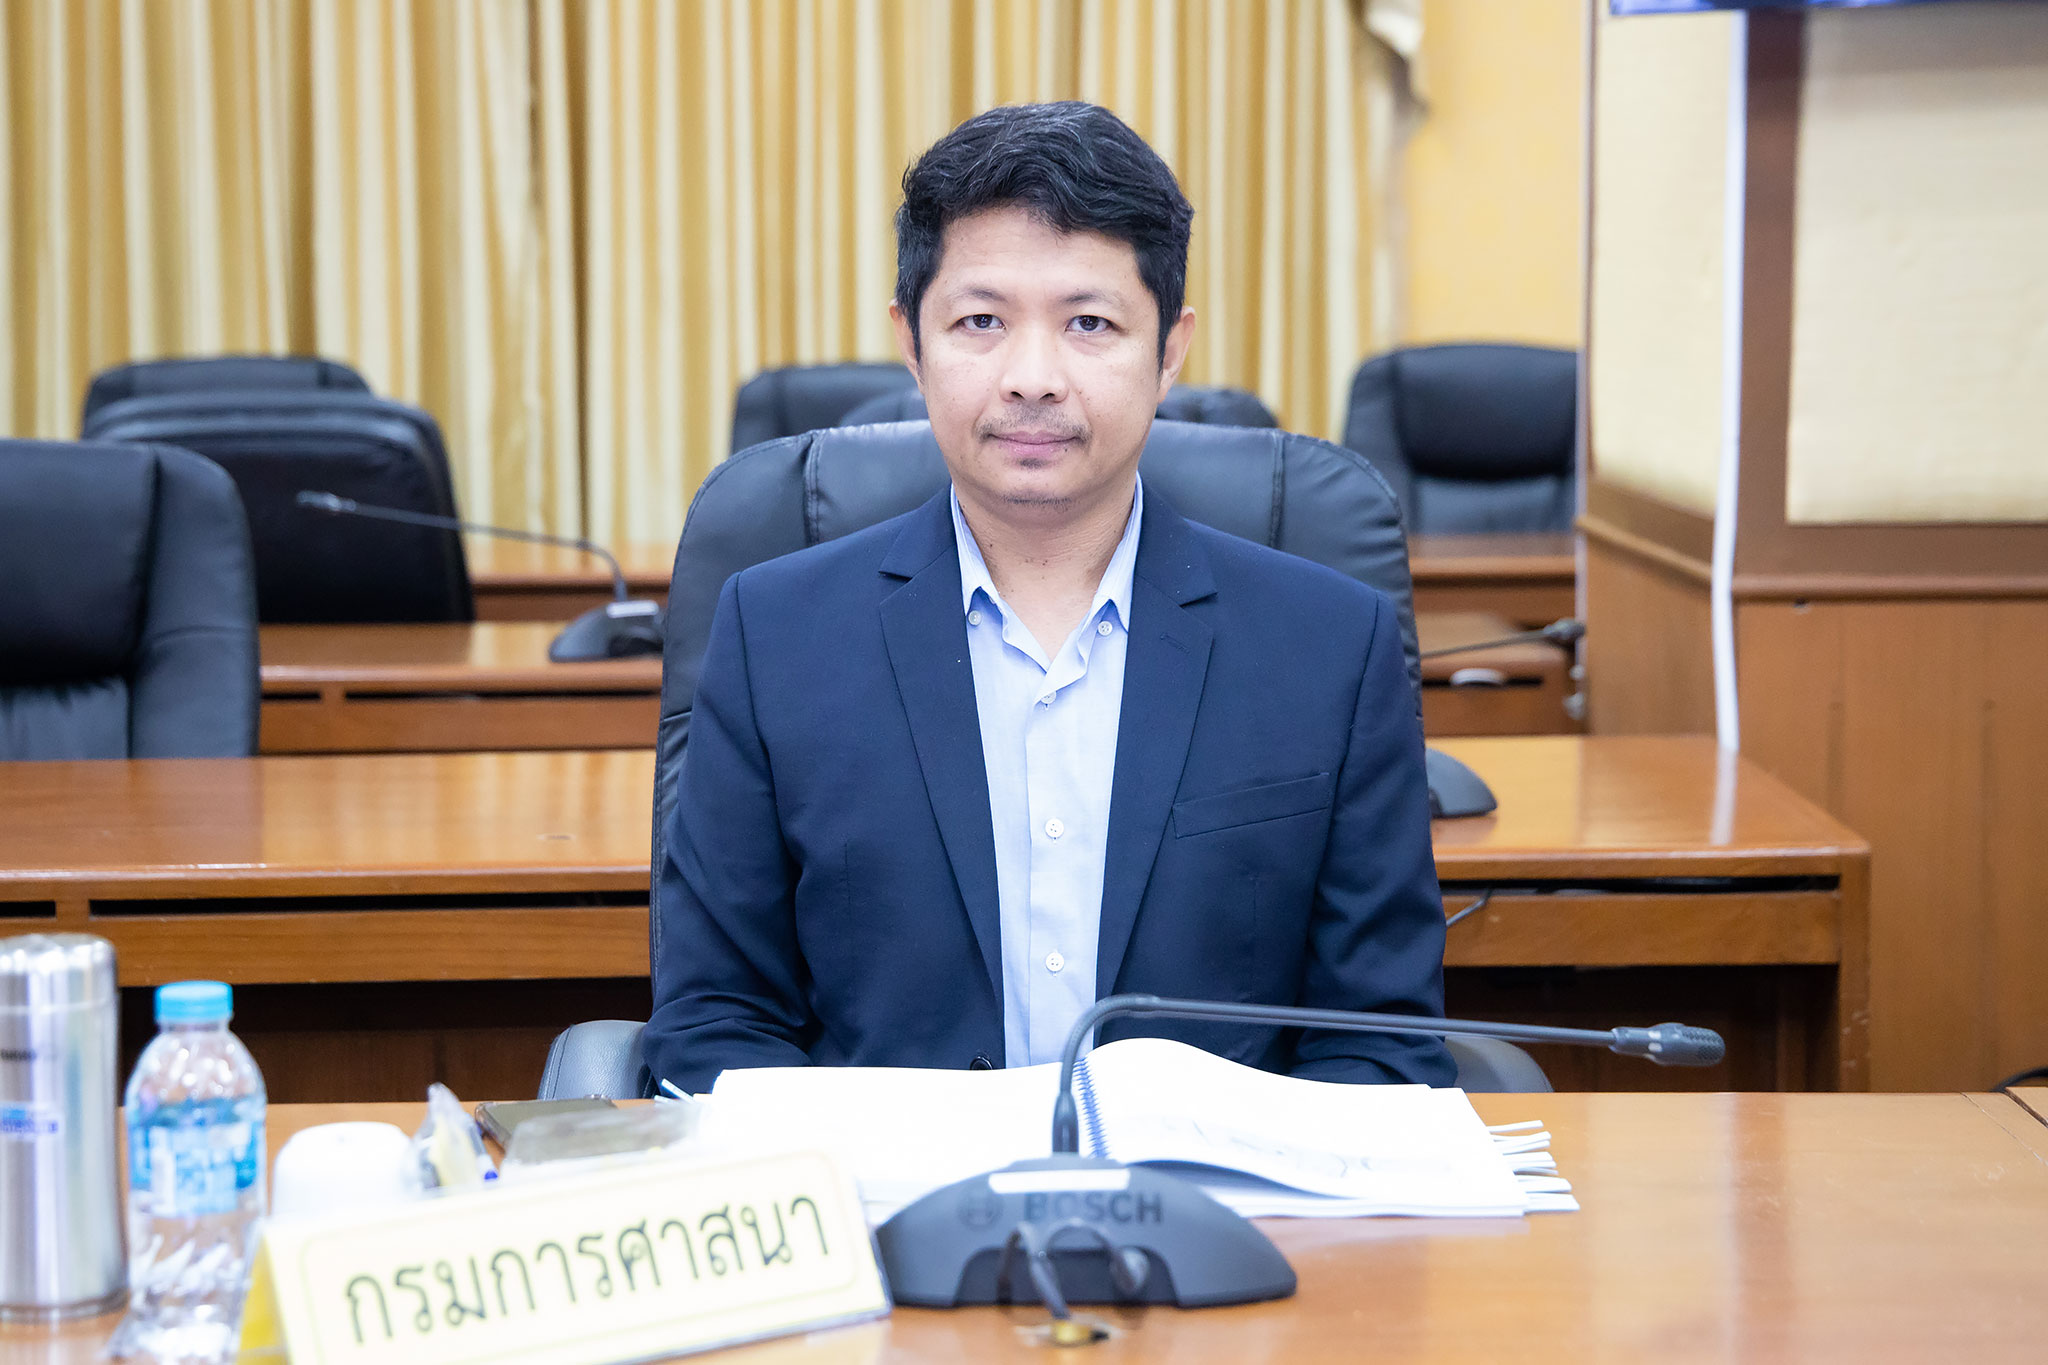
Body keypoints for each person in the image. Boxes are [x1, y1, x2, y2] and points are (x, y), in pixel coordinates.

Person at [647, 101, 1451, 1093]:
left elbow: (1377, 1041)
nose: (1032, 379)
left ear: (1169, 351)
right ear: (911, 343)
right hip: (887, 1189)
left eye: (1089, 324)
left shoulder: (1330, 645)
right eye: (980, 321)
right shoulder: (774, 636)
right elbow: (716, 1023)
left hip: (1214, 1191)